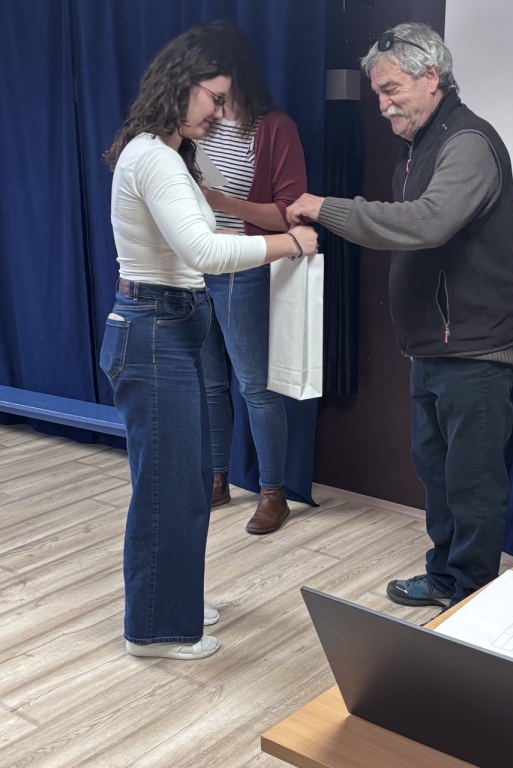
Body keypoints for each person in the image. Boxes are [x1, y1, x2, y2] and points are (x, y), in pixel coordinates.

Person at [287, 22, 513, 609]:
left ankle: (470, 599)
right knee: (438, 475)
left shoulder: (467, 143)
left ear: (431, 77)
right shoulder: (419, 145)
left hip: (474, 349)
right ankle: (445, 579)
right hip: (433, 347)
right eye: (377, 92)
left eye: (391, 89)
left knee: (471, 484)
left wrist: (328, 208)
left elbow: (427, 223)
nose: (382, 103)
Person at [100, 28, 317, 660]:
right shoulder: (155, 157)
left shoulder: (167, 154)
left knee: (185, 482)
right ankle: (155, 630)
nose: (220, 113)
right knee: (167, 489)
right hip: (155, 328)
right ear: (182, 84)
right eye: (215, 99)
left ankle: (170, 601)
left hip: (169, 322)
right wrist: (289, 243)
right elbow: (204, 250)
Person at [197, 20, 307, 535]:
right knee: (209, 383)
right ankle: (217, 478)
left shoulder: (273, 127)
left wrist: (218, 200)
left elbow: (289, 213)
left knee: (255, 386)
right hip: (194, 266)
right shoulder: (195, 127)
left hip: (242, 267)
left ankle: (272, 492)